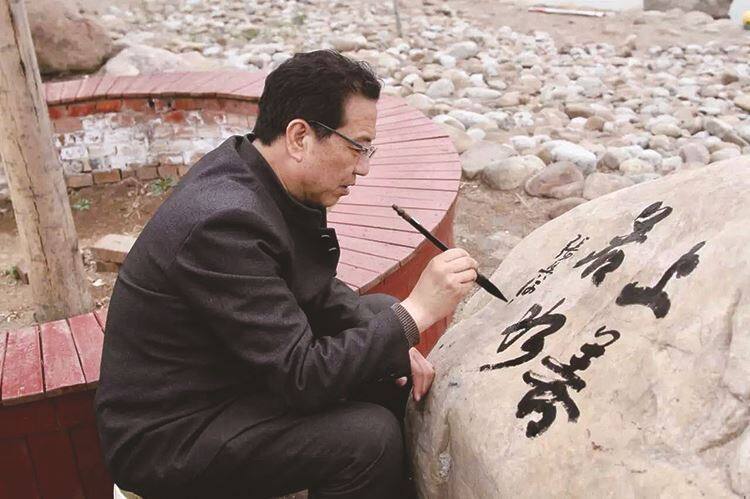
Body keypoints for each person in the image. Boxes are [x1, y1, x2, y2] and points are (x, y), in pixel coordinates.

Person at [95, 50, 478, 499]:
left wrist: (393, 331)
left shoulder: (257, 172)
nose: (364, 167)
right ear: (299, 136)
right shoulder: (222, 224)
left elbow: (312, 288)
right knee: (368, 440)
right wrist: (417, 312)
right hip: (170, 433)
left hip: (222, 376)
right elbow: (302, 377)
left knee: (378, 312)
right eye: (357, 146)